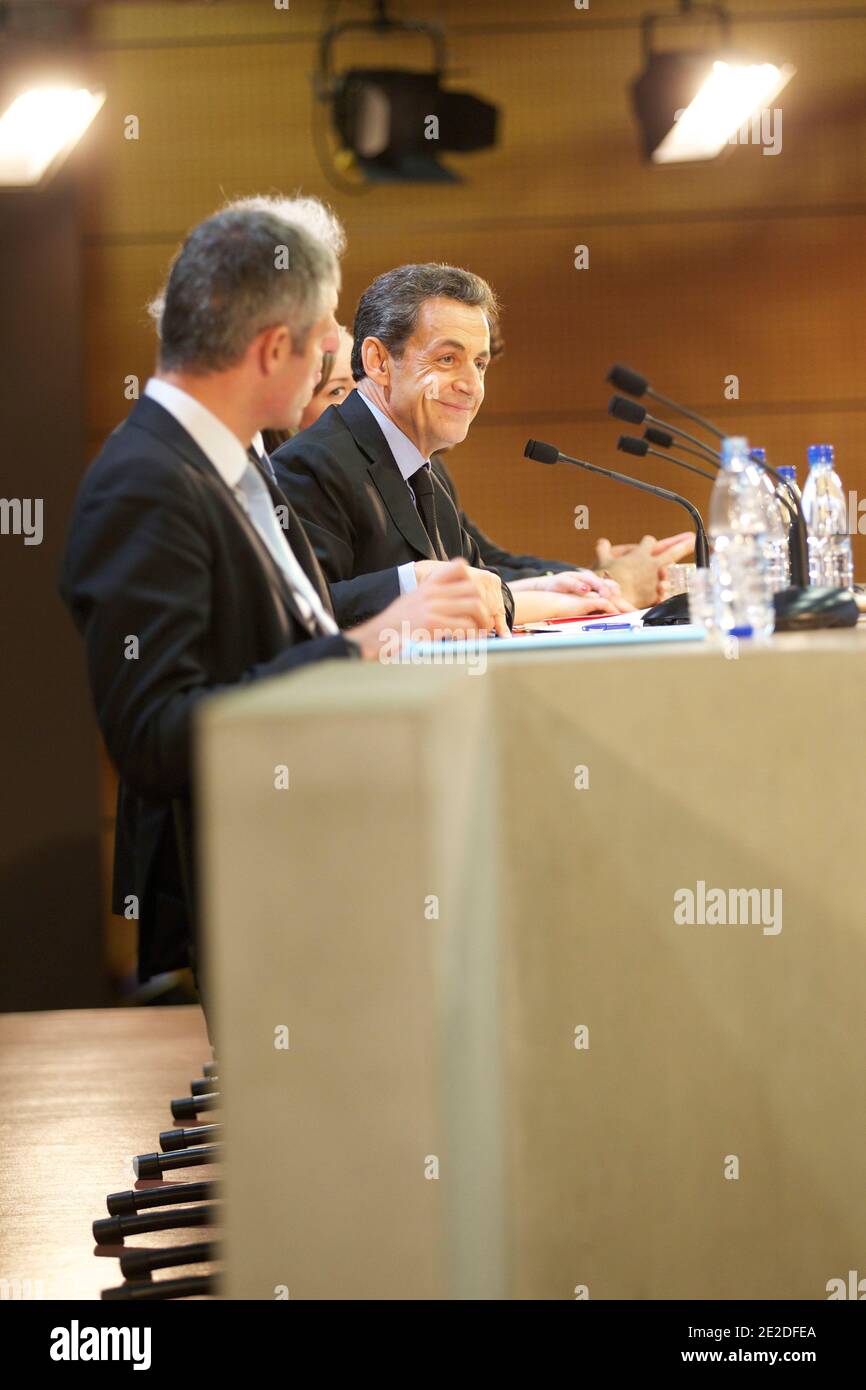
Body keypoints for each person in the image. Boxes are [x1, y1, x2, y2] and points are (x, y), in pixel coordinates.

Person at [60, 208, 501, 994]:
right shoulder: (147, 483)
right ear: (273, 350)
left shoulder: (240, 464)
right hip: (248, 875)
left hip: (320, 833)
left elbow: (284, 640)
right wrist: (365, 644)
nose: (337, 353)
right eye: (325, 332)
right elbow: (154, 737)